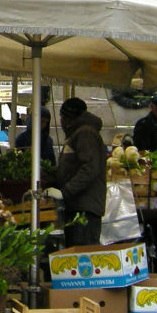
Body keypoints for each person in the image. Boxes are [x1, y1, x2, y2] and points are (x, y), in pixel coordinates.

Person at [55, 98, 106, 247]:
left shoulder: (85, 133)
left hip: (84, 208)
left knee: (83, 255)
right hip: (78, 205)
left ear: (67, 118)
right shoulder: (79, 132)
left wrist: (66, 192)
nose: (61, 122)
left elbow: (90, 168)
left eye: (62, 118)